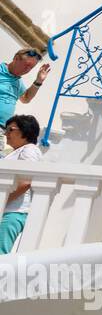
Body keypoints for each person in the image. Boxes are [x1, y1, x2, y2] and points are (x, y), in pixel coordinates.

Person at [0, 115, 42, 254]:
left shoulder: (28, 149)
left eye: (10, 129)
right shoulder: (15, 152)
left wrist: (4, 200)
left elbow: (26, 181)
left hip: (13, 211)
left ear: (24, 131)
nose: (6, 133)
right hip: (7, 209)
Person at [0, 49, 51, 126]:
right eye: (27, 65)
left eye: (31, 67)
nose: (27, 69)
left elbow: (26, 98)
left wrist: (38, 81)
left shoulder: (18, 82)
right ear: (16, 58)